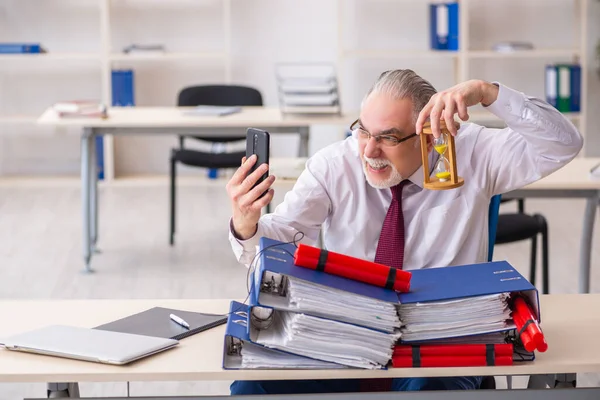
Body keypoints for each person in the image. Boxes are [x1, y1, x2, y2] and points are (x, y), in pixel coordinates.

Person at [225, 70, 583, 395]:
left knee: (429, 389)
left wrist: (488, 92)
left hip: (439, 340)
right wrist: (246, 222)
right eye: (363, 129)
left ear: (427, 133)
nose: (368, 150)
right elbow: (275, 244)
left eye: (388, 137)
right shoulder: (334, 165)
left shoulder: (469, 151)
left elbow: (563, 144)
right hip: (346, 336)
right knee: (253, 386)